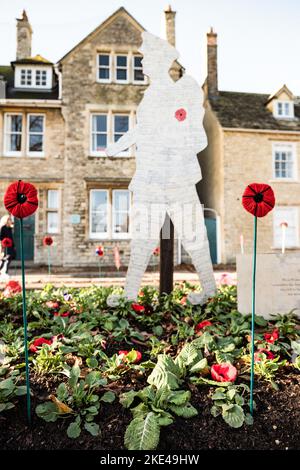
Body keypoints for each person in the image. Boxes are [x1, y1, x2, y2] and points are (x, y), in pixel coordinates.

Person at [106, 32, 216, 305]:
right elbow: (143, 130)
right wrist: (119, 144)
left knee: (193, 235)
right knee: (142, 237)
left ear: (158, 62)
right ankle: (130, 294)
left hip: (175, 176)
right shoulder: (152, 94)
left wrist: (163, 142)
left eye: (145, 59)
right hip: (151, 176)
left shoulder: (180, 91)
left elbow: (194, 137)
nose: (141, 64)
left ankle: (210, 290)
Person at [0, 215, 16, 279]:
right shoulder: (3, 228)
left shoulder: (9, 228)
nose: (10, 221)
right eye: (9, 219)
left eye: (10, 219)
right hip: (4, 246)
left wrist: (14, 246)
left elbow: (11, 238)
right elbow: (0, 237)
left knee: (8, 259)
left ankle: (5, 272)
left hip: (10, 246)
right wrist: (2, 245)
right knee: (4, 259)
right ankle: (3, 272)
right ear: (6, 220)